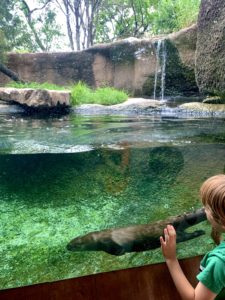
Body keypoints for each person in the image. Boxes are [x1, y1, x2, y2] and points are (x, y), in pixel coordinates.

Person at [160, 174, 225, 300]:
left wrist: (171, 259)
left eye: (207, 208)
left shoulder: (219, 262)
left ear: (220, 220)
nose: (204, 210)